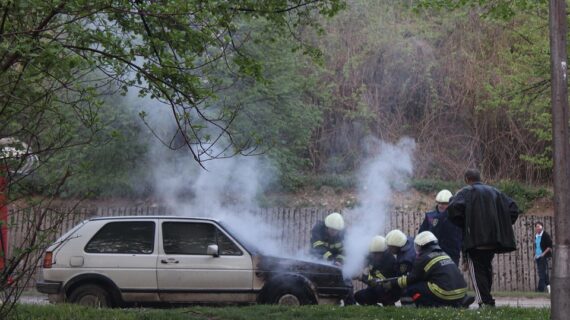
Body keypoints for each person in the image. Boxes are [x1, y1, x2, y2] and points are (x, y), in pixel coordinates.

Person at [447, 169, 519, 308]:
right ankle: (488, 300)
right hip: (493, 241)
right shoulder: (496, 192)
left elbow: (453, 209)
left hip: (475, 241)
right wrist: (501, 224)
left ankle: (484, 302)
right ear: (480, 178)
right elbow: (513, 209)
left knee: (476, 271)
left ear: (467, 179)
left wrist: (465, 223)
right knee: (486, 269)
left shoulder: (466, 192)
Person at [384, 231, 474, 308]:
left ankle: (438, 305)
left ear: (423, 245)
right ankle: (459, 302)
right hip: (461, 291)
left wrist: (392, 282)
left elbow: (412, 278)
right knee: (426, 285)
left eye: (418, 246)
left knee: (412, 289)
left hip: (445, 292)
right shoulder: (443, 253)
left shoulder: (423, 258)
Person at [418, 189, 463, 265]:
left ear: (450, 203)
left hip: (451, 254)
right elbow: (422, 234)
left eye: (444, 203)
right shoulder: (430, 216)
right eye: (439, 203)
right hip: (433, 253)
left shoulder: (457, 217)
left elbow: (461, 236)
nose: (441, 205)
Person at [354, 235, 399, 306]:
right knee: (358, 296)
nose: (375, 256)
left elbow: (378, 282)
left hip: (390, 290)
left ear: (384, 252)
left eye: (378, 253)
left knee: (379, 288)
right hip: (375, 288)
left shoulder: (390, 261)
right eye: (373, 253)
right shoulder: (372, 256)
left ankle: (389, 306)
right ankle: (375, 307)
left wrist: (362, 277)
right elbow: (363, 262)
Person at [534, 221, 552, 293]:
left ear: (542, 227)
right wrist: (535, 254)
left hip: (543, 257)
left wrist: (543, 254)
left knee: (541, 273)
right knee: (544, 273)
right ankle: (548, 286)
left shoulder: (545, 235)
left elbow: (549, 246)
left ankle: (540, 289)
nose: (538, 228)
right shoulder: (536, 236)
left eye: (539, 226)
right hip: (538, 257)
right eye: (536, 226)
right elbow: (537, 246)